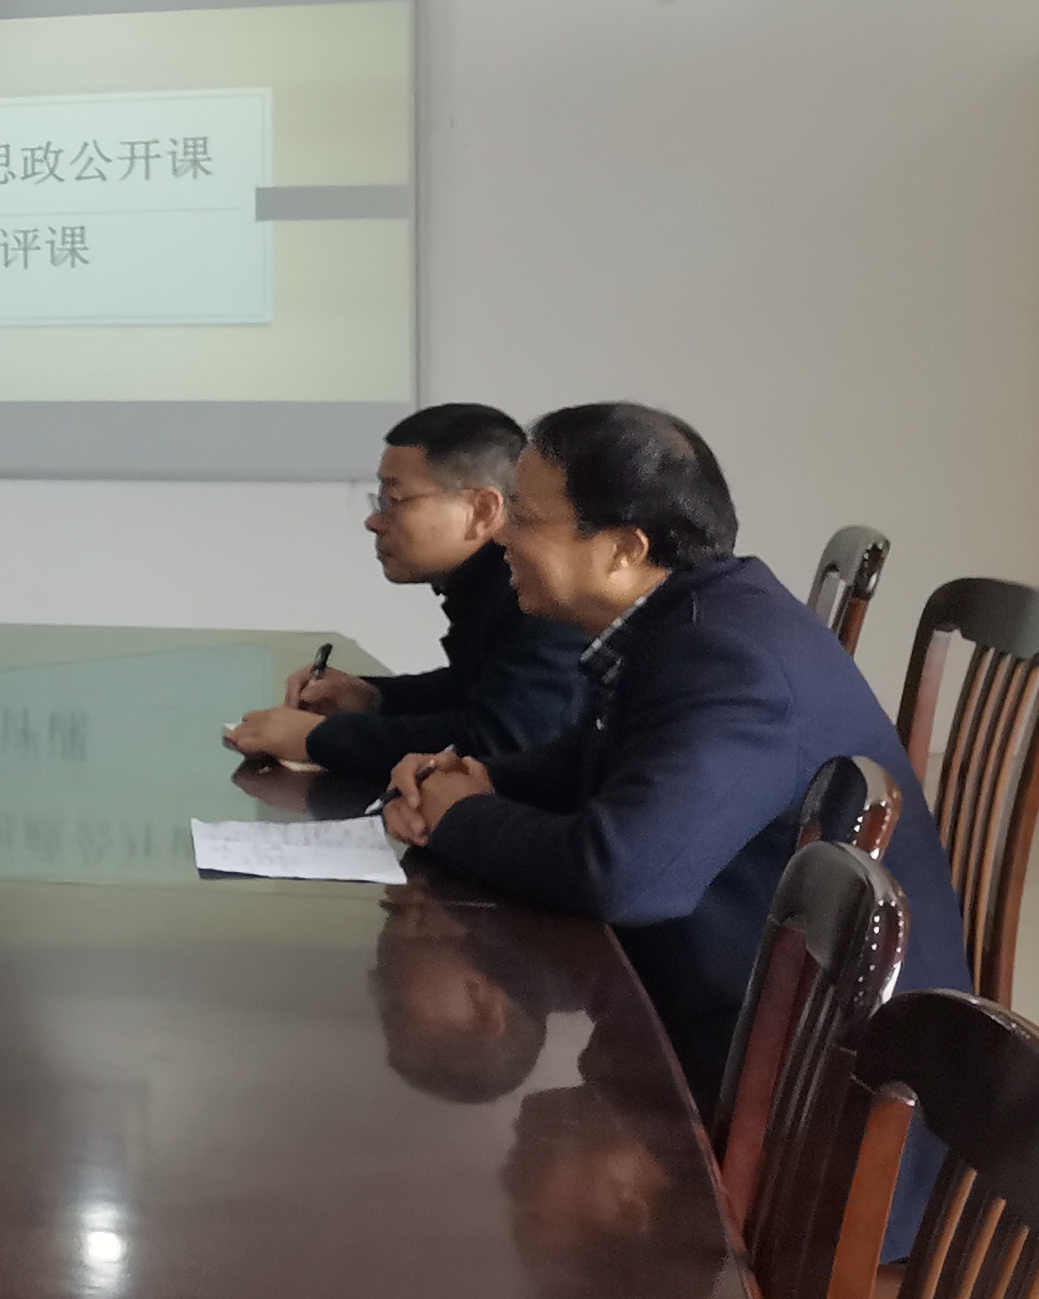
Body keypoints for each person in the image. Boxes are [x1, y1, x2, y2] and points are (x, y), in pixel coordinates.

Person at [380, 403, 968, 1114]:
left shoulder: (732, 662)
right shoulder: (688, 619)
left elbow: (625, 876)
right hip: (735, 1014)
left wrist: (459, 818)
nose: (500, 534)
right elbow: (594, 760)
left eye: (526, 519)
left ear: (624, 548)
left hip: (816, 1093)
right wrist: (482, 779)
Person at [225, 403, 589, 777]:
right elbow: (473, 690)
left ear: (482, 511)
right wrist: (374, 698)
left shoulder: (540, 596)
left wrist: (315, 738)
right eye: (378, 501)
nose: (373, 521)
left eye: (394, 502)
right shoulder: (491, 585)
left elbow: (500, 739)